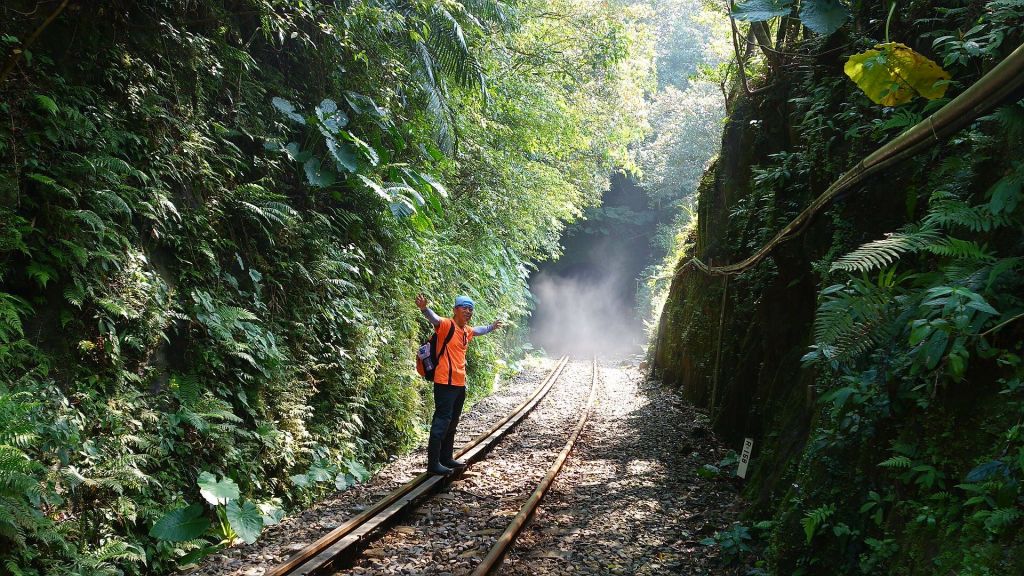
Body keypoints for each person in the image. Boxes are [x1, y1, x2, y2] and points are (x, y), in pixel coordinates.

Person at [416, 293, 504, 475]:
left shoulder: (466, 331)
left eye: (470, 308)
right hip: (444, 382)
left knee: (453, 421)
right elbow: (434, 319)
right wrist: (424, 308)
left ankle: (446, 458)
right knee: (441, 421)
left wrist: (491, 327)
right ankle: (433, 464)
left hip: (459, 383)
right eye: (464, 307)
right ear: (455, 310)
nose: (468, 311)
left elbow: (478, 330)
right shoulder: (447, 325)